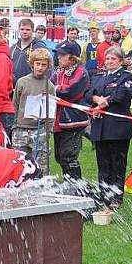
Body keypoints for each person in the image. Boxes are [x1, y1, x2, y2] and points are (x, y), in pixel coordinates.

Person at [85, 46, 132, 207]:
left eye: (113, 59)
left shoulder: (127, 76)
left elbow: (121, 95)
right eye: (107, 59)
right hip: (100, 125)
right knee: (103, 163)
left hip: (117, 127)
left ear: (121, 61)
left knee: (117, 163)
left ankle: (116, 197)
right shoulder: (99, 76)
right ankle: (104, 195)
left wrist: (102, 104)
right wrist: (96, 99)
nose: (109, 62)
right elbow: (87, 94)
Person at [12, 47, 54, 174]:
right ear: (32, 64)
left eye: (43, 65)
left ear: (48, 67)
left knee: (41, 165)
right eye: (37, 64)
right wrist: (14, 126)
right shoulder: (22, 82)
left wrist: (48, 131)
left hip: (39, 130)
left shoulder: (50, 86)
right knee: (20, 163)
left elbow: (51, 112)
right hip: (20, 128)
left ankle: (43, 187)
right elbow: (15, 104)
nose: (40, 68)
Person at [52, 41, 90, 180]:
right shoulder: (58, 72)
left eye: (62, 55)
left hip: (74, 121)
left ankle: (76, 188)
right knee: (60, 156)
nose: (59, 58)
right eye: (58, 55)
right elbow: (49, 85)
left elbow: (70, 92)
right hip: (59, 121)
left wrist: (55, 89)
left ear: (73, 57)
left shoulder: (81, 72)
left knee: (68, 157)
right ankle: (70, 186)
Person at [10, 18, 46, 86]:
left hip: (32, 88)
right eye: (22, 29)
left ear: (32, 31)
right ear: (19, 30)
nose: (24, 32)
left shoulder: (40, 48)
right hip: (14, 89)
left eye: (27, 29)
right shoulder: (12, 49)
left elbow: (48, 70)